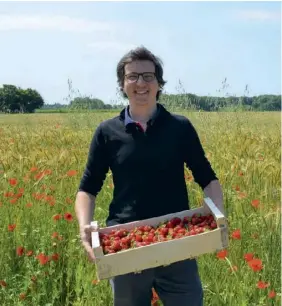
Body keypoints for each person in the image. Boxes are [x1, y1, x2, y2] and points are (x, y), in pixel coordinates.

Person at [75, 46, 225, 306]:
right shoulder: (107, 132)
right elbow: (87, 188)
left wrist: (217, 215)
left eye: (148, 76)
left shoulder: (180, 127)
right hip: (124, 245)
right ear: (122, 84)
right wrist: (84, 228)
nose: (140, 83)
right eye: (132, 76)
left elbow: (208, 178)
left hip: (178, 240)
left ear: (159, 83)